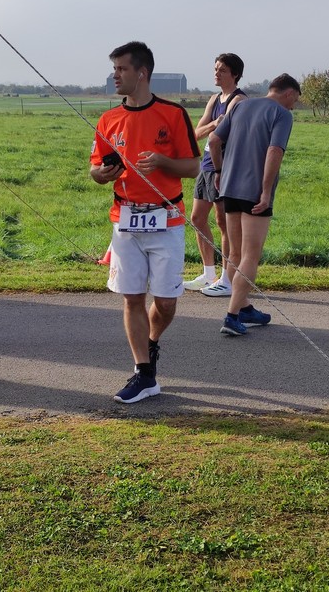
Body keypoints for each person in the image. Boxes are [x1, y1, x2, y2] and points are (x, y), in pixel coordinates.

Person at [90, 41, 200, 403]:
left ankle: (151, 343)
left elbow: (193, 166)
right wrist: (102, 174)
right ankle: (144, 373)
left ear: (142, 72)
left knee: (166, 302)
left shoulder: (172, 114)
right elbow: (94, 168)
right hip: (125, 219)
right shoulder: (108, 120)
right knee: (132, 298)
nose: (115, 76)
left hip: (166, 220)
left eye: (121, 69)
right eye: (114, 69)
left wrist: (163, 162)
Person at [207, 74, 300, 337]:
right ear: (289, 94)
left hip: (229, 188)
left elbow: (214, 141)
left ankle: (245, 307)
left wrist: (218, 171)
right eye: (295, 99)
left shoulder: (239, 105)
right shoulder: (282, 114)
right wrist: (266, 191)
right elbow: (274, 151)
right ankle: (233, 315)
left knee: (235, 253)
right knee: (250, 255)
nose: (294, 105)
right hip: (254, 192)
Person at [184, 53, 247, 296]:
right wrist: (213, 124)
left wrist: (215, 126)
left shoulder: (238, 99)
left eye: (222, 70)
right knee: (197, 218)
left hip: (227, 167)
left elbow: (225, 132)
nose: (216, 73)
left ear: (235, 74)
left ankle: (226, 279)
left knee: (224, 223)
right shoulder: (214, 99)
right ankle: (208, 273)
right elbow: (196, 133)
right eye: (216, 69)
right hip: (207, 165)